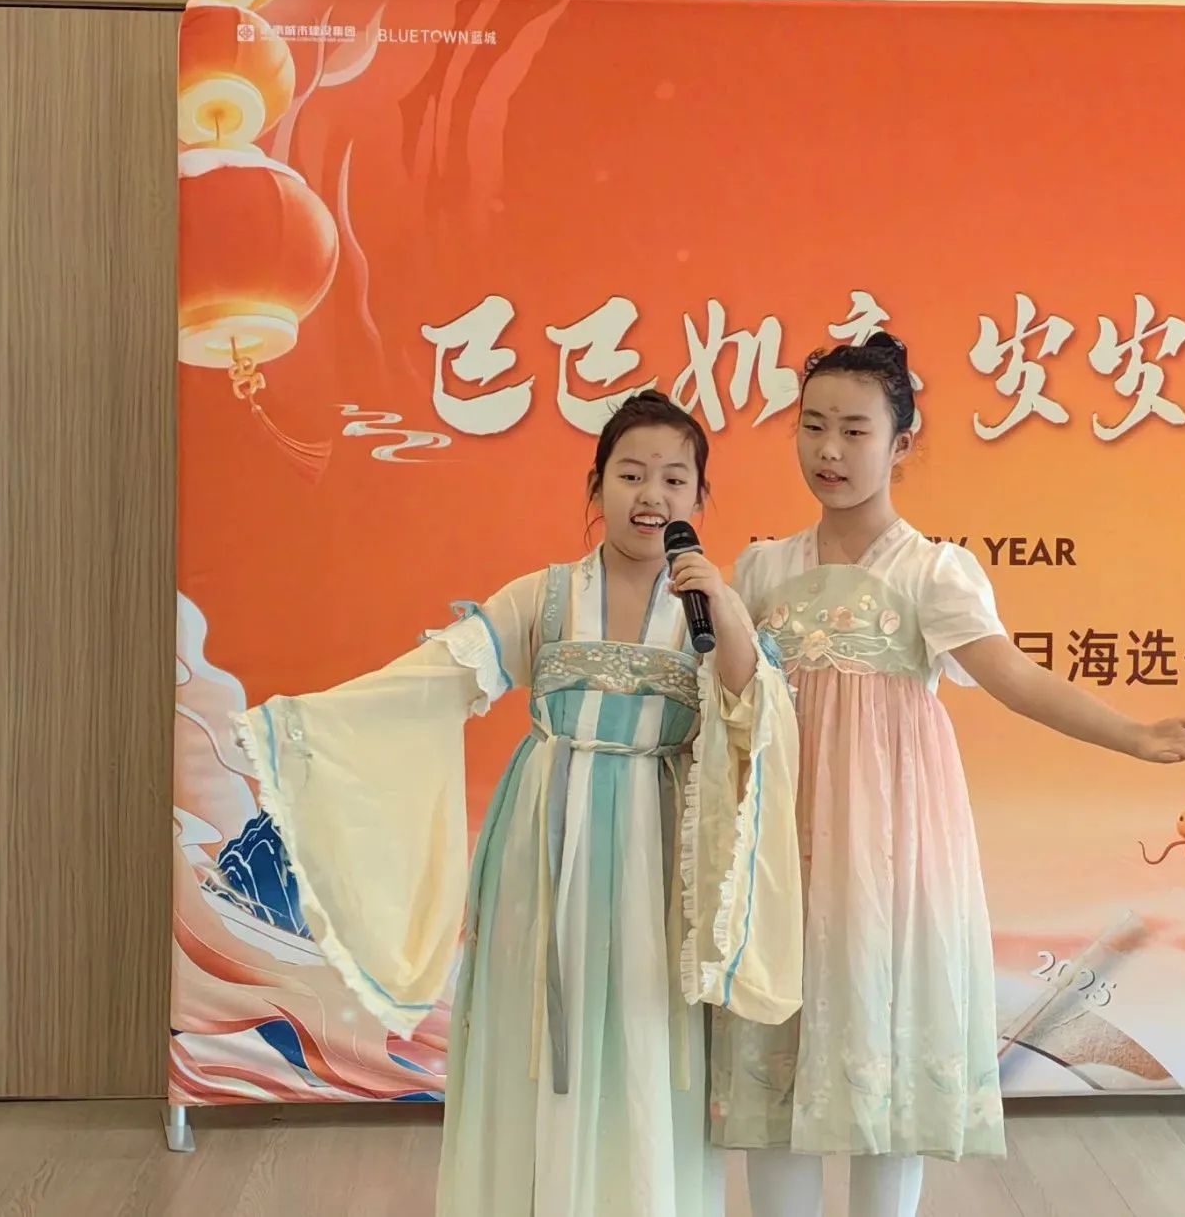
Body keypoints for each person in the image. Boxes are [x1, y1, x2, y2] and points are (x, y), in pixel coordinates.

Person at [233, 391, 803, 1217]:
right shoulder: (545, 595)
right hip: (543, 834)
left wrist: (724, 604)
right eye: (631, 474)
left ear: (699, 498)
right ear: (595, 487)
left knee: (646, 1027)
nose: (652, 495)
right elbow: (440, 677)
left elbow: (756, 709)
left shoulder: (706, 608)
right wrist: (304, 726)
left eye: (675, 480)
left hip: (659, 844)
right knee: (534, 1026)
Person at [709, 334, 1185, 1217]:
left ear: (901, 444)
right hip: (783, 841)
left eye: (856, 431)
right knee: (777, 1055)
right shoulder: (761, 569)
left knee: (886, 1043)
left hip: (891, 842)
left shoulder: (930, 571)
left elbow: (1015, 678)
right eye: (814, 426)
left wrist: (1134, 736)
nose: (830, 450)